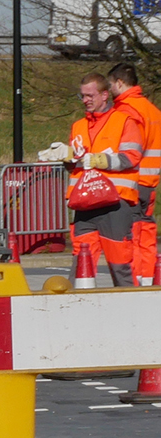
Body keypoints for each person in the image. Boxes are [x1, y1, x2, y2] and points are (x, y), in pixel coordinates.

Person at [58, 73, 143, 287]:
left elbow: (131, 157)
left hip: (115, 203)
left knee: (120, 263)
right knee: (81, 264)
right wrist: (66, 157)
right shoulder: (78, 126)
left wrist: (98, 159)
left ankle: (130, 309)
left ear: (105, 95)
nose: (85, 100)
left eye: (90, 95)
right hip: (85, 203)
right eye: (82, 96)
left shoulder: (124, 121)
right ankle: (78, 311)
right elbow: (75, 162)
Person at [109, 63, 161, 283]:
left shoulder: (125, 111)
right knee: (146, 233)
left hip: (131, 182)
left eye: (110, 85)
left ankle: (135, 282)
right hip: (150, 182)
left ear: (120, 83)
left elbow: (128, 150)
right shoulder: (152, 110)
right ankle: (148, 279)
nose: (109, 90)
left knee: (130, 235)